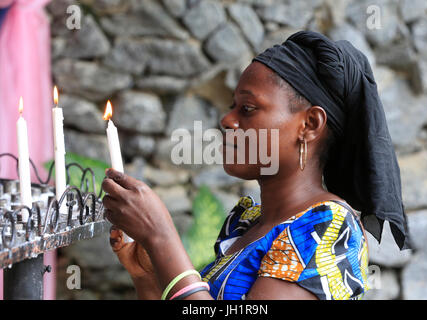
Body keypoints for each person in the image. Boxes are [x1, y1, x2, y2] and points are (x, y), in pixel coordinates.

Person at [102, 31, 409, 300]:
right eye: (232, 106)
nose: (227, 120)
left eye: (247, 108)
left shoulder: (324, 228)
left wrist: (162, 238)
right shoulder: (247, 222)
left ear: (310, 125)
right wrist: (147, 275)